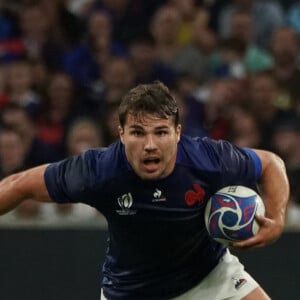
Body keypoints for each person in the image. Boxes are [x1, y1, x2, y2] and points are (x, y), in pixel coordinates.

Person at [0, 81, 289, 300]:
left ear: (177, 132)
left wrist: (276, 220)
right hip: (131, 292)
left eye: (161, 132)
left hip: (211, 277)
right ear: (121, 133)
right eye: (138, 132)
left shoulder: (209, 159)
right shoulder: (98, 171)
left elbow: (271, 164)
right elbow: (18, 185)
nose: (150, 144)